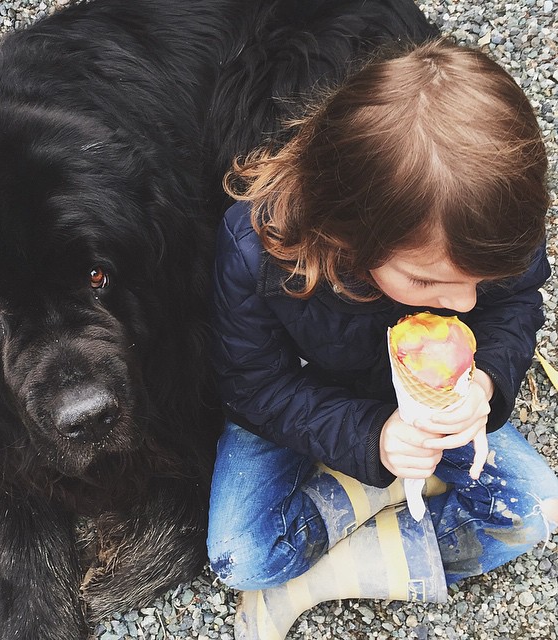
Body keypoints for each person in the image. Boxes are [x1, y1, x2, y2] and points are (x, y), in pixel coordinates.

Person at [206, 38, 558, 640]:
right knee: (240, 556)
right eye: (428, 281)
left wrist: (486, 382)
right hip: (305, 402)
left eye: (479, 281)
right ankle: (375, 486)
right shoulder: (256, 249)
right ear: (344, 232)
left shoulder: (485, 226)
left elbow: (515, 304)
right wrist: (373, 439)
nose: (465, 303)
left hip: (434, 400)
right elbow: (254, 387)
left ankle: (312, 582)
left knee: (534, 512)